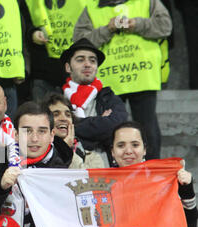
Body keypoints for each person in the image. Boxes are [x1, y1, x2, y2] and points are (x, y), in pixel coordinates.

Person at [73, 0, 172, 160]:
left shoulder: (147, 2)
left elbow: (165, 26)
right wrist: (108, 29)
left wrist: (136, 24)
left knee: (147, 127)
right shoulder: (92, 8)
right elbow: (79, 42)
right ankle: (115, 167)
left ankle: (153, 170)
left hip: (142, 76)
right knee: (111, 128)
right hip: (110, 80)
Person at [110, 121, 197, 227]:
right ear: (112, 152)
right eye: (121, 145)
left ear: (144, 149)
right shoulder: (101, 185)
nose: (128, 151)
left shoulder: (161, 182)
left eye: (135, 145)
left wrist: (187, 191)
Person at [60, 38, 127, 166]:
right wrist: (99, 122)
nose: (87, 64)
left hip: (104, 168)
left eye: (92, 60)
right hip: (67, 169)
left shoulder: (108, 98)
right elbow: (53, 132)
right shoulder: (57, 98)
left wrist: (72, 127)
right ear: (68, 67)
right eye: (80, 60)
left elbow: (116, 128)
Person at [21, 0, 88, 102]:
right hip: (43, 72)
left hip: (79, 72)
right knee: (43, 116)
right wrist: (32, 33)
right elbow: (21, 19)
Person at [42, 92, 105, 169]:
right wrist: (63, 149)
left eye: (68, 115)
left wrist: (67, 151)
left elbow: (82, 180)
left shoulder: (92, 158)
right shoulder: (34, 153)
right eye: (56, 114)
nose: (64, 119)